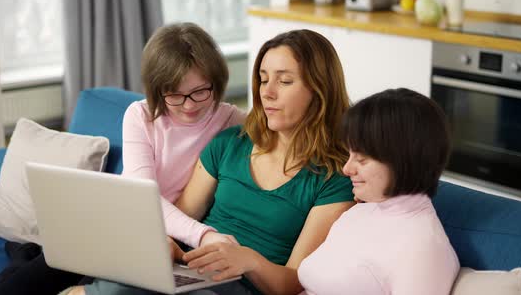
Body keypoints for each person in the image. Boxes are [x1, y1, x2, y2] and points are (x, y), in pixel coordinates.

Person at [71, 29, 356, 295]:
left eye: (284, 81)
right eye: (263, 79)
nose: (267, 92)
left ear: (320, 90)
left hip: (239, 287)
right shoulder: (230, 142)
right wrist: (166, 245)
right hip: (191, 271)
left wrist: (250, 261)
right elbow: (180, 219)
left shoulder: (335, 177)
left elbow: (292, 282)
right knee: (121, 284)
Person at [0, 22, 245, 295]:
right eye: (175, 94)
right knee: (9, 292)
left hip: (169, 240)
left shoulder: (231, 120)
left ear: (216, 82)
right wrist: (204, 234)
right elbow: (144, 197)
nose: (189, 105)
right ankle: (23, 253)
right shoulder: (141, 116)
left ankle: (35, 253)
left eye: (200, 91)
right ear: (158, 90)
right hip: (118, 224)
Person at [297, 88, 461, 295]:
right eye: (350, 154)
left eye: (362, 159)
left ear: (402, 161)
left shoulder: (423, 249)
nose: (347, 169)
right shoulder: (359, 213)